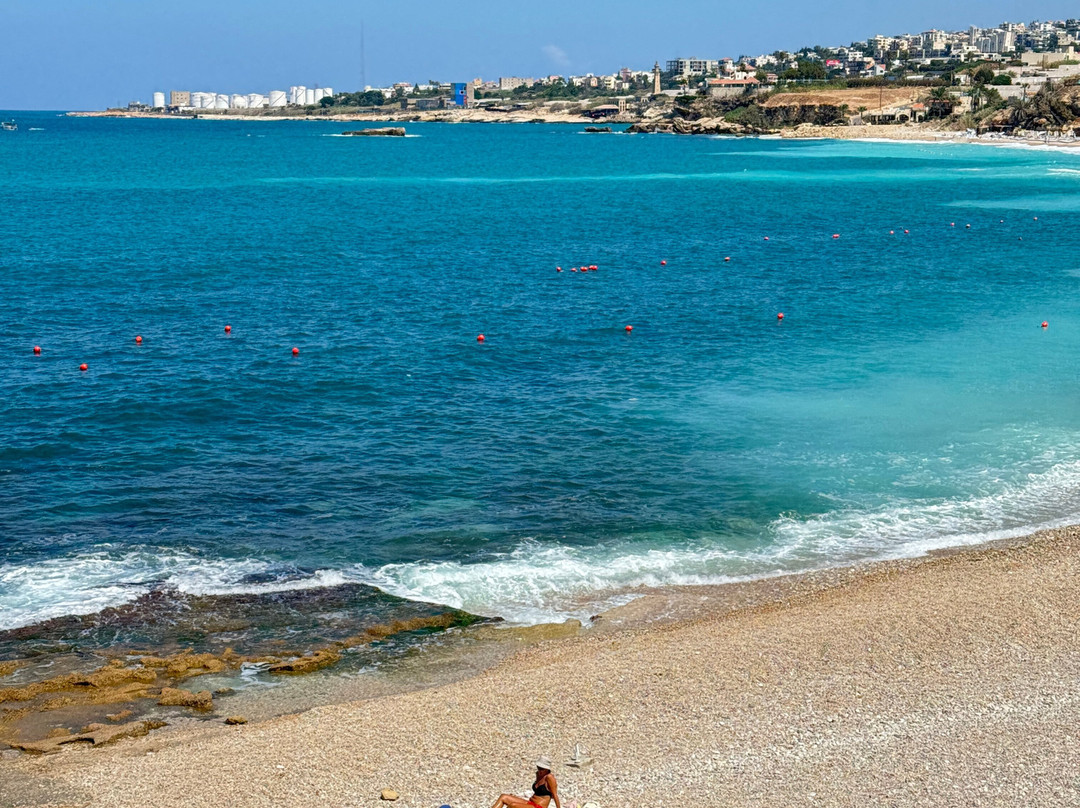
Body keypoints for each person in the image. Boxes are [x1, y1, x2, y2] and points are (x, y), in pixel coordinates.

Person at [490, 757, 560, 808]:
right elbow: (538, 792)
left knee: (513, 805)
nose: (539, 770)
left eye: (542, 769)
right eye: (538, 767)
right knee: (504, 797)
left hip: (539, 806)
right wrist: (518, 797)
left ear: (547, 769)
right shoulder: (538, 774)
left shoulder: (549, 777)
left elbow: (555, 795)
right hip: (530, 803)